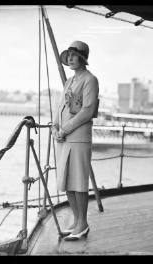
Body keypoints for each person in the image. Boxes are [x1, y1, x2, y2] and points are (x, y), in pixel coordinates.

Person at [52, 40, 99, 241]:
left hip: (78, 138)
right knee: (67, 180)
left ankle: (83, 223)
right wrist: (55, 127)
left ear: (82, 58)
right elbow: (61, 107)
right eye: (68, 56)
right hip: (64, 138)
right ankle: (77, 220)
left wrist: (65, 129)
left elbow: (87, 111)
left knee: (79, 182)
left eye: (73, 55)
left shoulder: (90, 80)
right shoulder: (69, 81)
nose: (70, 59)